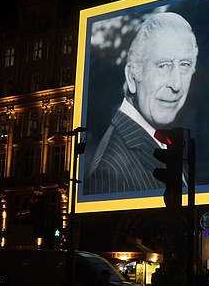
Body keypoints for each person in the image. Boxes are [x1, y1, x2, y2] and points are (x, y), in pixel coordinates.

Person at [84, 12, 199, 194]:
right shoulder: (110, 171)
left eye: (185, 65)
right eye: (163, 65)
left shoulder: (163, 141)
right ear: (132, 77)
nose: (177, 85)